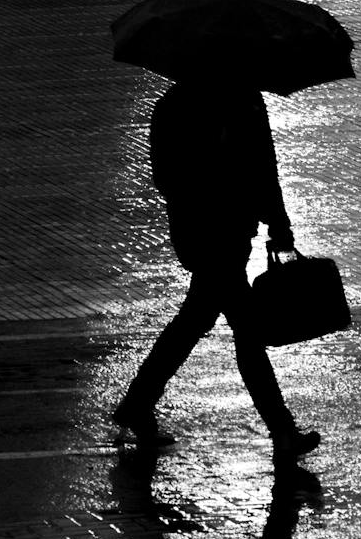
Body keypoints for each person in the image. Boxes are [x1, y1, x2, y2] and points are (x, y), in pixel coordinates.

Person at [112, 77, 321, 458]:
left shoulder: (177, 103)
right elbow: (261, 167)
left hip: (209, 232)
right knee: (246, 329)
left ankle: (137, 403)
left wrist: (274, 218)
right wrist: (276, 220)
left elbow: (171, 177)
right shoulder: (240, 99)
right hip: (215, 235)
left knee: (196, 318)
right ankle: (282, 429)